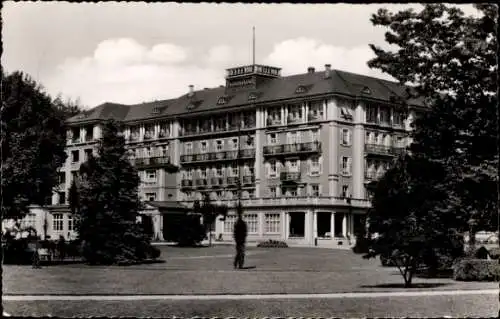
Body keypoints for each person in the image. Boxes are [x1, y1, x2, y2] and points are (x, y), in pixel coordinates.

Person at [233, 203, 247, 269]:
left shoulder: (242, 224)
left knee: (241, 253)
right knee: (240, 253)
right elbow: (235, 233)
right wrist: (237, 239)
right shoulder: (238, 224)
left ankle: (239, 264)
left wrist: (243, 238)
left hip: (241, 241)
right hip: (239, 241)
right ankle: (237, 263)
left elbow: (245, 232)